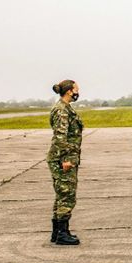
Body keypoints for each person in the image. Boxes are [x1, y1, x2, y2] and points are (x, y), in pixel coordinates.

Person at [48, 79, 84, 245]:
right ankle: (62, 234)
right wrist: (66, 160)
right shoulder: (62, 111)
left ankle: (58, 232)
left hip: (62, 157)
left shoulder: (64, 108)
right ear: (70, 91)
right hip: (63, 158)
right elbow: (60, 138)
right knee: (67, 196)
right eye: (76, 88)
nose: (78, 91)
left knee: (61, 195)